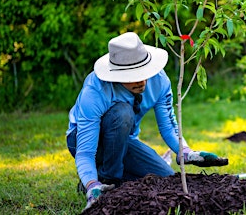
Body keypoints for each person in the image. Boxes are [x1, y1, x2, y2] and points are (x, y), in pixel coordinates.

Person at [65, 32, 225, 210]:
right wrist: (91, 184)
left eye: (143, 72)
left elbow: (168, 126)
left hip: (125, 140)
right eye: (131, 75)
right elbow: (86, 151)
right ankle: (105, 181)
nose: (141, 80)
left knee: (165, 178)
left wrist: (185, 152)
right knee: (122, 113)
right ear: (117, 74)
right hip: (83, 141)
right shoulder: (96, 90)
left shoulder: (159, 80)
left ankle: (109, 176)